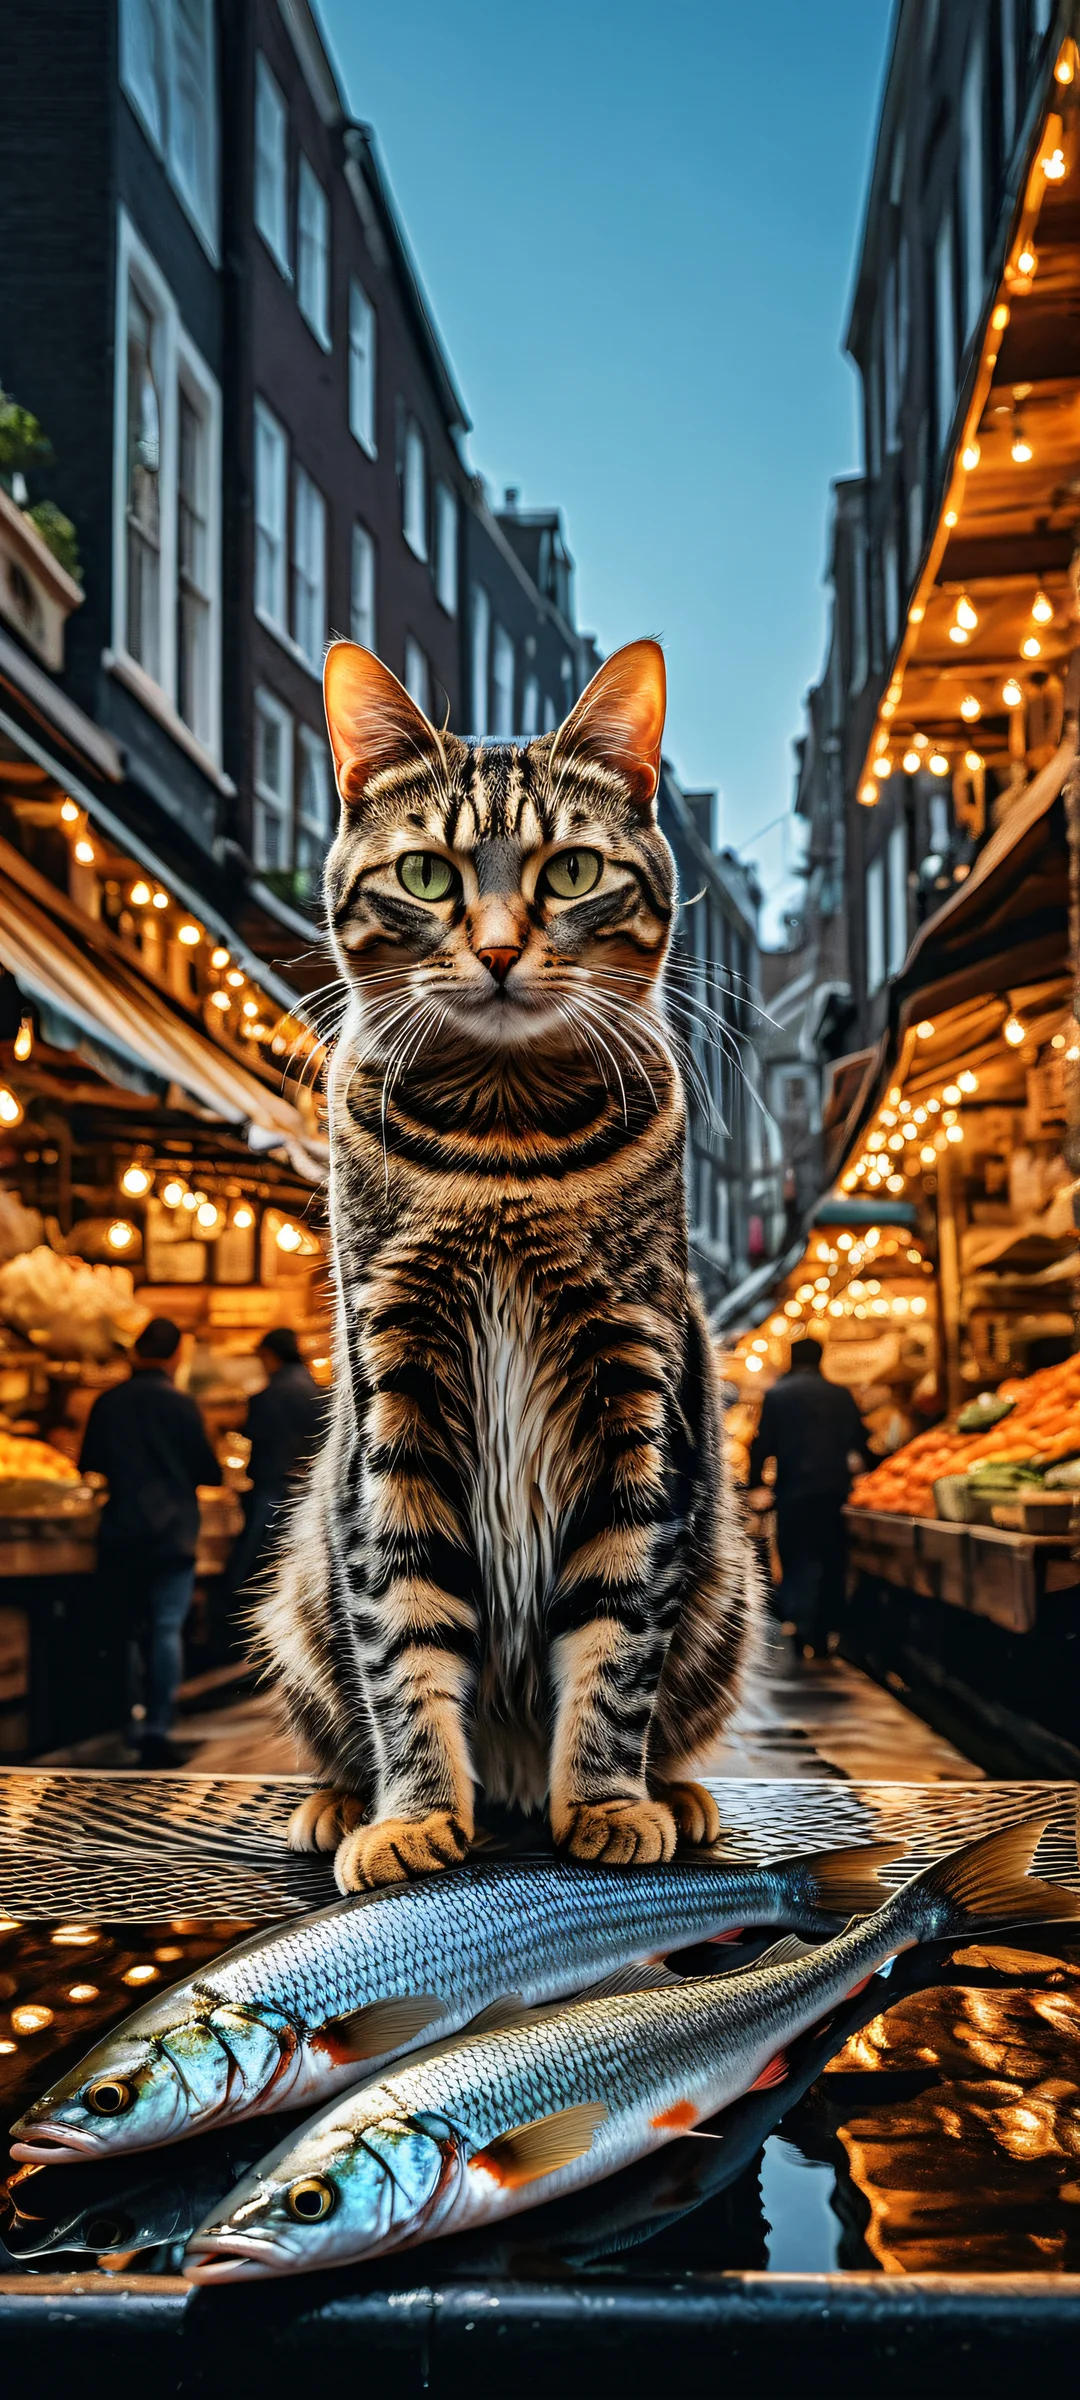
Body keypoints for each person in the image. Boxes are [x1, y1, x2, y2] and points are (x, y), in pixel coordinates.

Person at [80, 1317, 221, 1765]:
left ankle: (126, 1724)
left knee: (123, 1632)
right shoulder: (182, 1405)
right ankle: (158, 1727)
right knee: (164, 1631)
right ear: (176, 1354)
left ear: (137, 1351)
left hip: (121, 1531)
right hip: (173, 1534)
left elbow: (89, 1463)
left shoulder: (108, 1403)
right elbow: (209, 1472)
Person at [747, 1335, 873, 1658]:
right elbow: (860, 1442)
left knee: (797, 1558)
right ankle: (824, 1631)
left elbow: (762, 1444)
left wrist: (754, 1484)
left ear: (791, 1358)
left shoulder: (777, 1395)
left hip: (792, 1493)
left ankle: (801, 1626)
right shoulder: (840, 1395)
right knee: (831, 1560)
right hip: (833, 1494)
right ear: (820, 1359)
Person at [223, 1327, 325, 1606]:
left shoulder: (269, 1395)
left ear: (269, 1356)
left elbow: (255, 1434)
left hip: (273, 1490)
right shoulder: (316, 1389)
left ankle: (234, 1624)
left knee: (252, 1569)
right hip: (309, 1490)